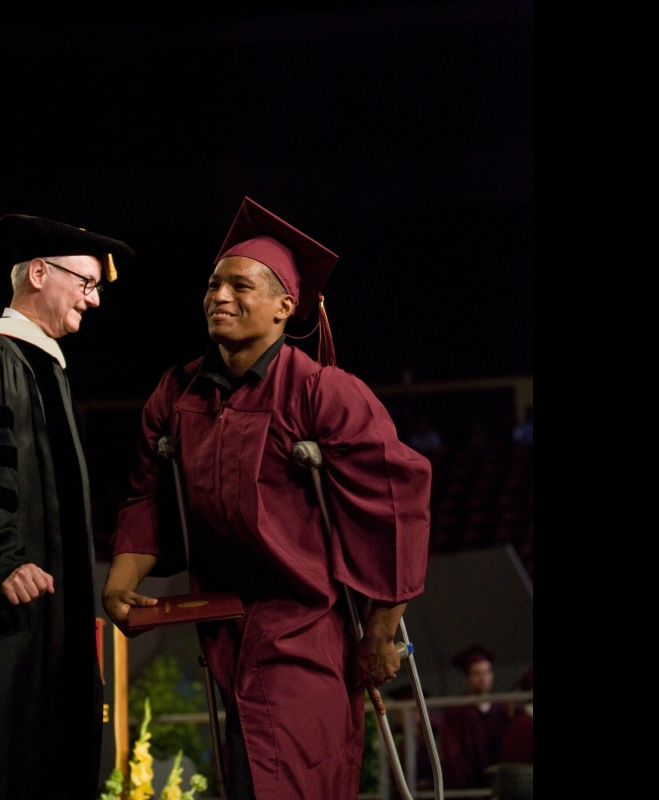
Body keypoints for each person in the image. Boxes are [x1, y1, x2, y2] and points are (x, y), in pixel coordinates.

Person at [102, 197, 432, 800]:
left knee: (286, 776)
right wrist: (120, 584)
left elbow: (397, 500)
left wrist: (383, 633)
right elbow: (148, 495)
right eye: (212, 284)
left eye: (239, 285)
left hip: (307, 628)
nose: (219, 296)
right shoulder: (177, 394)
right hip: (226, 628)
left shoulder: (323, 393)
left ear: (285, 308)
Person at [0, 213, 134, 800]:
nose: (94, 300)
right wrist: (3, 558)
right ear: (36, 273)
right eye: (85, 283)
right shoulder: (4, 357)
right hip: (14, 615)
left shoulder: (44, 363)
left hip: (47, 616)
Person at [438, 643, 509, 790]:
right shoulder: (456, 711)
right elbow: (452, 755)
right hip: (468, 788)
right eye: (477, 673)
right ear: (467, 677)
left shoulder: (503, 709)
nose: (483, 678)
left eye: (487, 672)